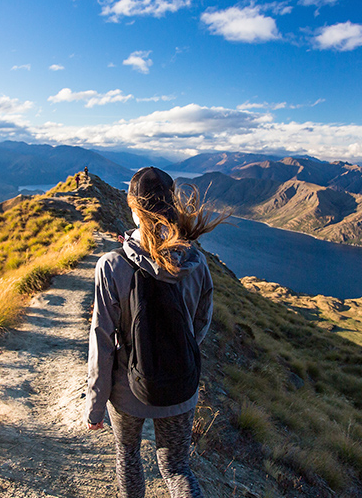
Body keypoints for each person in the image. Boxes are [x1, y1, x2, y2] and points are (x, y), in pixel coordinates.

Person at [85, 167, 228, 498]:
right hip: (180, 385)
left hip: (127, 392)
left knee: (129, 457)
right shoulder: (195, 262)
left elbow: (102, 341)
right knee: (177, 469)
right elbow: (201, 322)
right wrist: (175, 351)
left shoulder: (111, 265)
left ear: (134, 209)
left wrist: (95, 405)